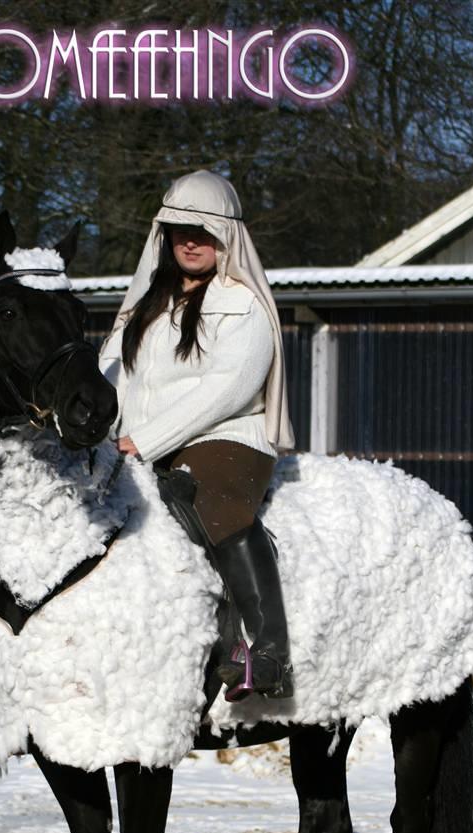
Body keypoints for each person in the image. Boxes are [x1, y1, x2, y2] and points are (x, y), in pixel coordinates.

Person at [99, 169, 295, 699]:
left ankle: (268, 651)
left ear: (226, 237)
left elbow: (229, 387)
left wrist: (146, 441)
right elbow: (112, 378)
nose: (190, 240)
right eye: (180, 228)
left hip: (225, 437)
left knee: (211, 498)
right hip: (137, 443)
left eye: (203, 231)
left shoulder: (243, 303)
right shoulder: (143, 307)